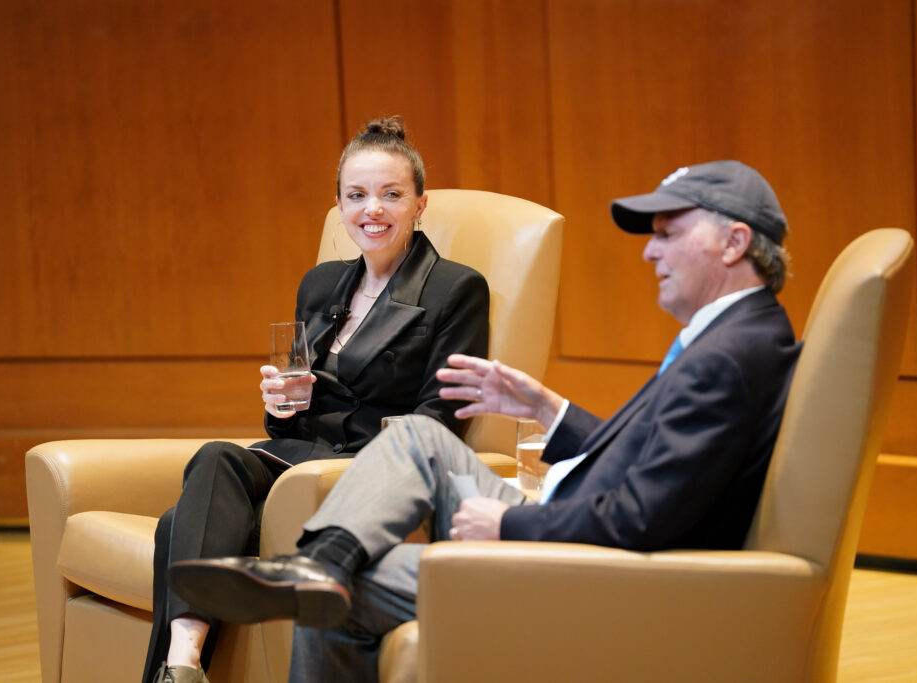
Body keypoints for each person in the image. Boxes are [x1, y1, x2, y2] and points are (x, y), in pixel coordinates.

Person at [167, 160, 802, 682]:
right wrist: (551, 412)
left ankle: (327, 570)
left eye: (668, 234)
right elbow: (654, 458)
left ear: (735, 241)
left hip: (598, 569)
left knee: (351, 590)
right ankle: (322, 560)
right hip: (577, 526)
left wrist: (511, 520)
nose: (651, 253)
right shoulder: (733, 338)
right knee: (419, 439)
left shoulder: (728, 357)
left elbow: (644, 517)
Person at [143, 116, 490, 683]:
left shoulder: (456, 288)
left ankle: (175, 669)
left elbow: (440, 420)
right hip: (302, 455)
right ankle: (182, 664)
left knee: (178, 523)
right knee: (215, 455)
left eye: (391, 195)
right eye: (356, 196)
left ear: (420, 204)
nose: (371, 210)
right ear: (338, 205)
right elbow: (288, 422)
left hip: (367, 468)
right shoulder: (321, 282)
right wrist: (282, 403)